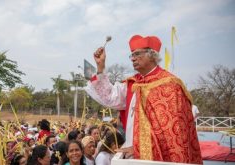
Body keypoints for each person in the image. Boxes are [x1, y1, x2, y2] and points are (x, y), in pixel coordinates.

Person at [85, 35, 202, 163]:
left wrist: (139, 147)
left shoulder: (171, 84)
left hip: (162, 157)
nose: (133, 58)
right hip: (133, 156)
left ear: (151, 55)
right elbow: (109, 97)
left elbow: (174, 133)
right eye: (131, 55)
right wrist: (100, 66)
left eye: (137, 54)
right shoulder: (133, 84)